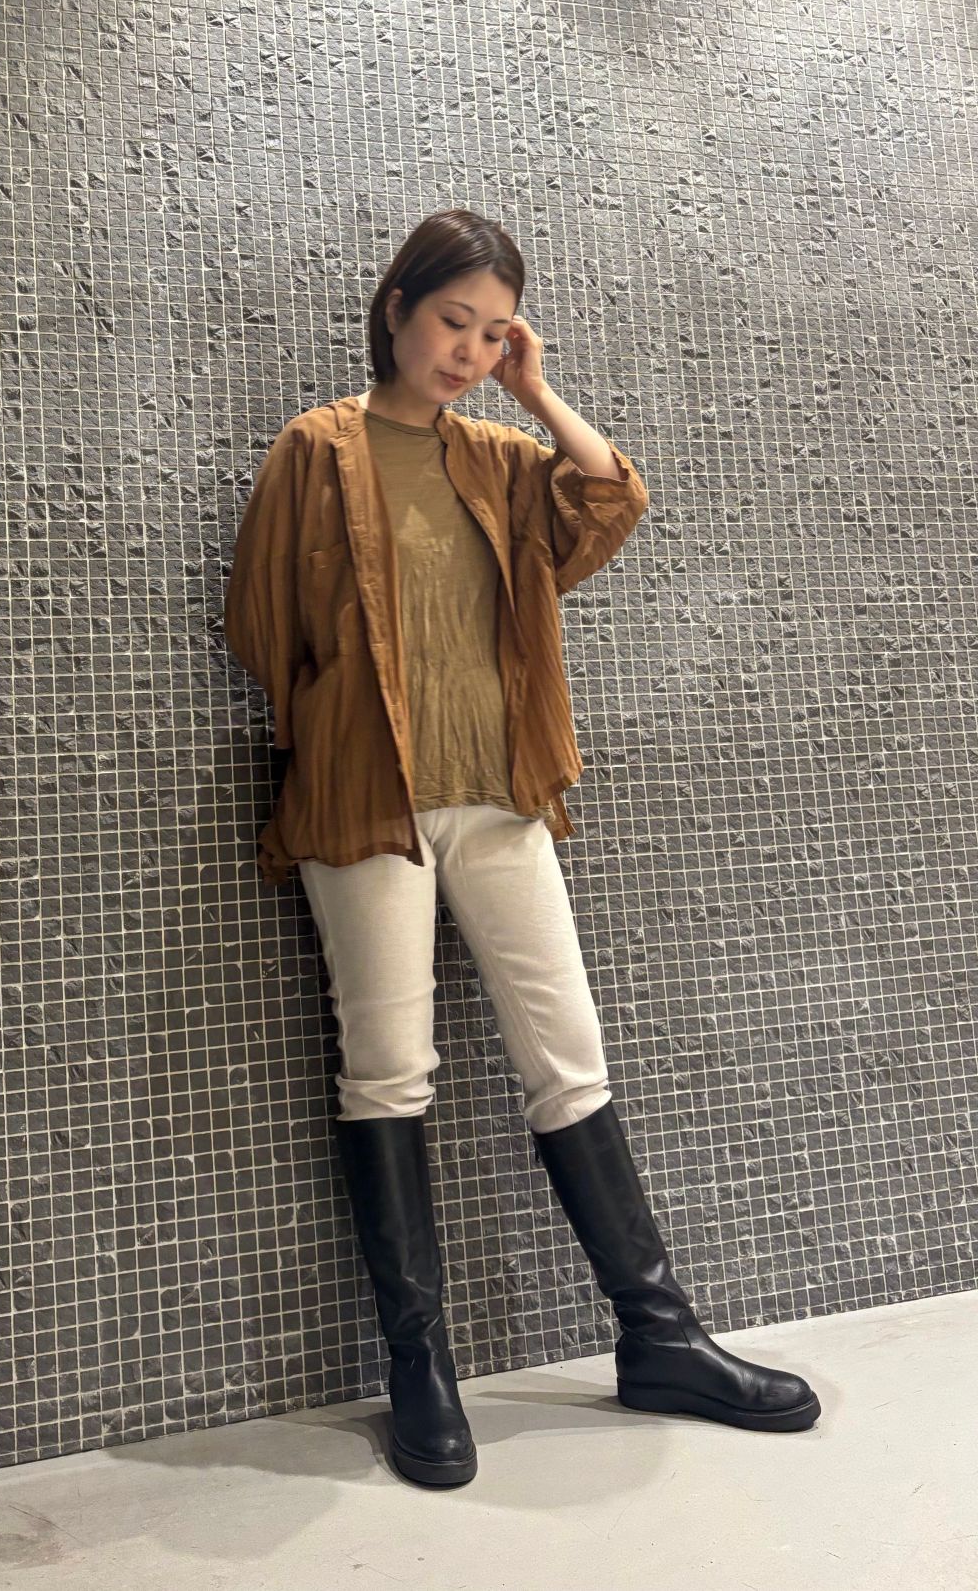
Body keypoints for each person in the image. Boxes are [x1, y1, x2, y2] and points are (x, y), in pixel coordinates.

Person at [225, 209, 821, 1489]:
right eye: (454, 322)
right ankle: (419, 1368)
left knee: (567, 1057)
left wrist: (537, 393)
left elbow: (606, 502)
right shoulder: (315, 449)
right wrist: (342, 725)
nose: (469, 350)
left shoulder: (499, 457)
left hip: (500, 798)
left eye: (494, 333)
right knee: (388, 1071)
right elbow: (259, 627)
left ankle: (658, 1335)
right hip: (365, 805)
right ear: (396, 308)